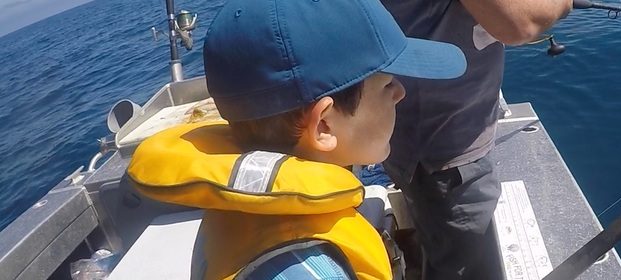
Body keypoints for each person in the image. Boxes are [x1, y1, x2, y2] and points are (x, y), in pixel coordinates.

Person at [124, 0, 467, 278]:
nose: (401, 93)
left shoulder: (247, 204)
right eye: (388, 84)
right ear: (324, 127)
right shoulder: (302, 271)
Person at [374, 0, 573, 279]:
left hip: (405, 135)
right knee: (462, 267)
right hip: (447, 153)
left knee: (436, 237)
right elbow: (520, 22)